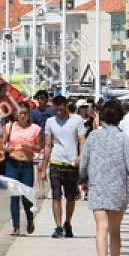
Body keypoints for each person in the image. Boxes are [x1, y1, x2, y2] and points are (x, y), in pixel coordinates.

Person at [81, 99, 129, 256]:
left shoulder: (93, 136)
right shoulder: (123, 138)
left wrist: (83, 179)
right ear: (120, 118)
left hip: (98, 186)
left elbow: (85, 160)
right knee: (115, 230)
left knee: (101, 228)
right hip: (118, 188)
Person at [41, 95, 87, 238]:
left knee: (71, 197)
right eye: (56, 110)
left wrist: (81, 156)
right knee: (55, 195)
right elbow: (48, 145)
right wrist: (43, 167)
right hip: (56, 161)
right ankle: (58, 226)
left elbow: (82, 140)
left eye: (61, 110)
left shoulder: (77, 120)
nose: (59, 113)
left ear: (67, 106)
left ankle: (68, 222)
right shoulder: (50, 122)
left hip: (71, 163)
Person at [0, 99, 42, 236]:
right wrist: (7, 148)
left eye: (24, 113)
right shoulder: (10, 127)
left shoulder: (35, 129)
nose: (22, 116)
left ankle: (29, 219)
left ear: (29, 114)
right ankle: (16, 226)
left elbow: (39, 147)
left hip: (27, 165)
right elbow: (1, 144)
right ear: (16, 115)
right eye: (19, 113)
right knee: (14, 196)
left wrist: (30, 146)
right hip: (13, 164)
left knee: (26, 196)